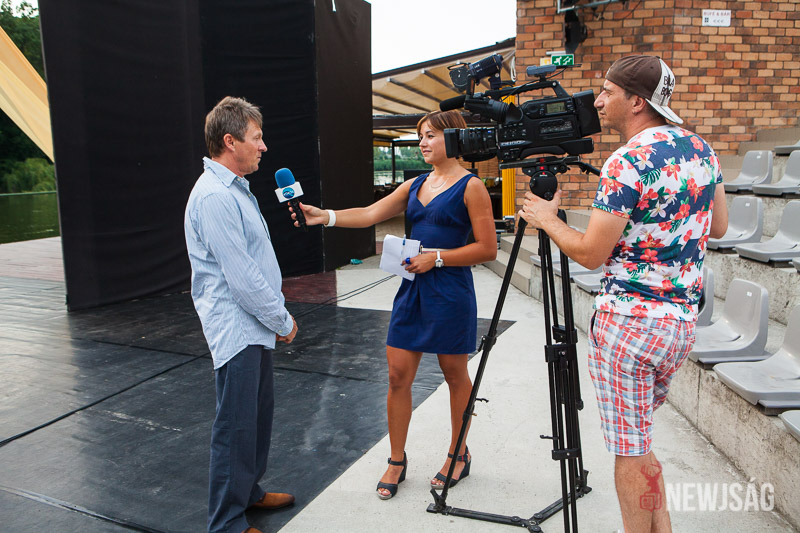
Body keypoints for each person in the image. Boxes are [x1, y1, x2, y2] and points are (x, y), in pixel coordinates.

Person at [518, 56, 729, 533]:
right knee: (640, 440)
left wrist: (547, 220)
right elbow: (718, 225)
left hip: (630, 326)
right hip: (679, 324)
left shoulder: (627, 161)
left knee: (629, 450)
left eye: (607, 92)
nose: (598, 101)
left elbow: (590, 254)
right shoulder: (701, 149)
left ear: (637, 101)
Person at [291, 110, 496, 499]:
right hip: (412, 289)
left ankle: (458, 453)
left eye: (430, 135)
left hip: (450, 291)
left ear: (453, 137)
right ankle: (396, 459)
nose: (422, 142)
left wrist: (436, 257)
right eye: (421, 135)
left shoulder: (472, 186)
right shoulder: (415, 184)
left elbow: (487, 248)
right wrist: (326, 217)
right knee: (397, 375)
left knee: (455, 375)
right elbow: (370, 213)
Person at [184, 96, 299, 533]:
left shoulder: (234, 188)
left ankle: (248, 492)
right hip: (238, 328)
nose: (263, 146)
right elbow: (242, 277)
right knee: (235, 427)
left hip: (253, 326)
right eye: (257, 138)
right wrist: (282, 320)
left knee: (256, 418)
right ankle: (227, 522)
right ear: (230, 142)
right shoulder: (215, 196)